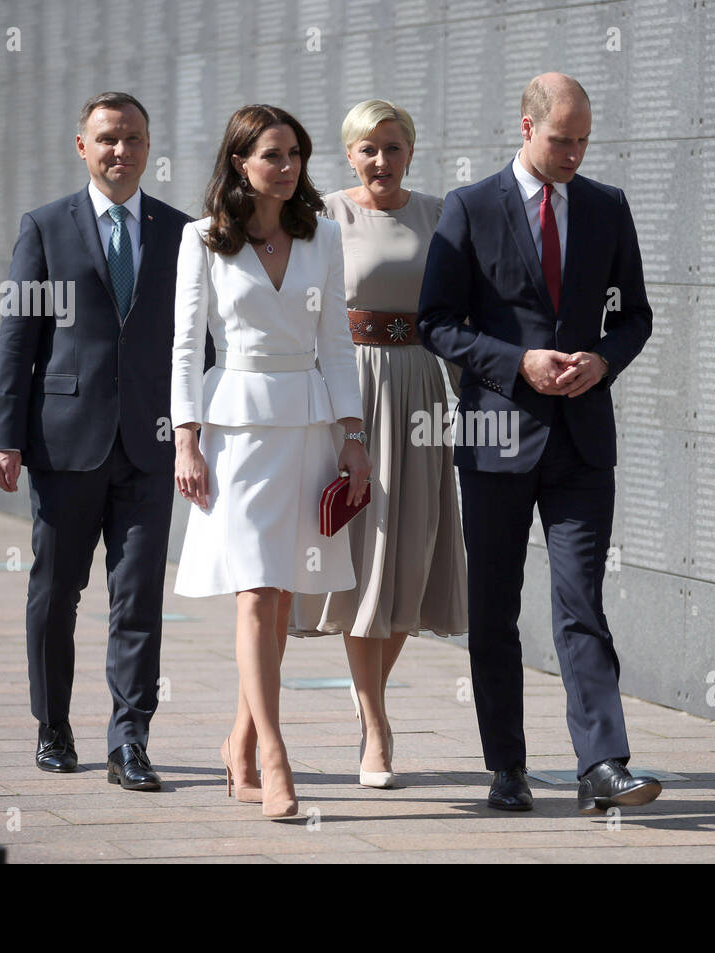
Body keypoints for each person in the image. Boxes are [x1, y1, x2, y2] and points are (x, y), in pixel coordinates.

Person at [418, 73, 658, 815]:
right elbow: (437, 322)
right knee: (494, 606)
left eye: (585, 139)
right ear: (526, 129)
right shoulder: (468, 207)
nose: (575, 153)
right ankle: (507, 767)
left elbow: (636, 316)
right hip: (496, 435)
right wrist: (515, 361)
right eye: (563, 139)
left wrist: (604, 359)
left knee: (581, 600)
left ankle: (602, 764)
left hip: (582, 442)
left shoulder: (607, 207)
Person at [0, 91, 190, 791]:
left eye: (133, 137)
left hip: (151, 446)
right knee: (55, 591)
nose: (120, 150)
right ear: (82, 146)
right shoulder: (44, 227)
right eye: (107, 138)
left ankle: (129, 740)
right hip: (64, 444)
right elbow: (17, 341)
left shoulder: (181, 232)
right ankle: (53, 724)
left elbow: (201, 344)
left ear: (148, 145)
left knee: (137, 598)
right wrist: (2, 436)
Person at [171, 104, 371, 820]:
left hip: (309, 423)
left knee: (283, 597)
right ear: (239, 162)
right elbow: (187, 346)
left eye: (295, 155)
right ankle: (278, 759)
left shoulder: (320, 235)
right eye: (273, 156)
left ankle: (239, 743)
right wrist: (186, 437)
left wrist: (354, 434)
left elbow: (339, 344)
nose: (287, 168)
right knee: (254, 593)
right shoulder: (202, 240)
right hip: (234, 430)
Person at [291, 100, 468, 790]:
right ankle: (376, 723)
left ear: (410, 151)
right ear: (349, 154)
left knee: (411, 555)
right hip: (352, 389)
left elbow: (456, 309)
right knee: (363, 557)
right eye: (368, 149)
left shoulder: (439, 214)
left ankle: (373, 710)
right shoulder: (326, 214)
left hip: (421, 387)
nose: (381, 161)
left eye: (393, 148)